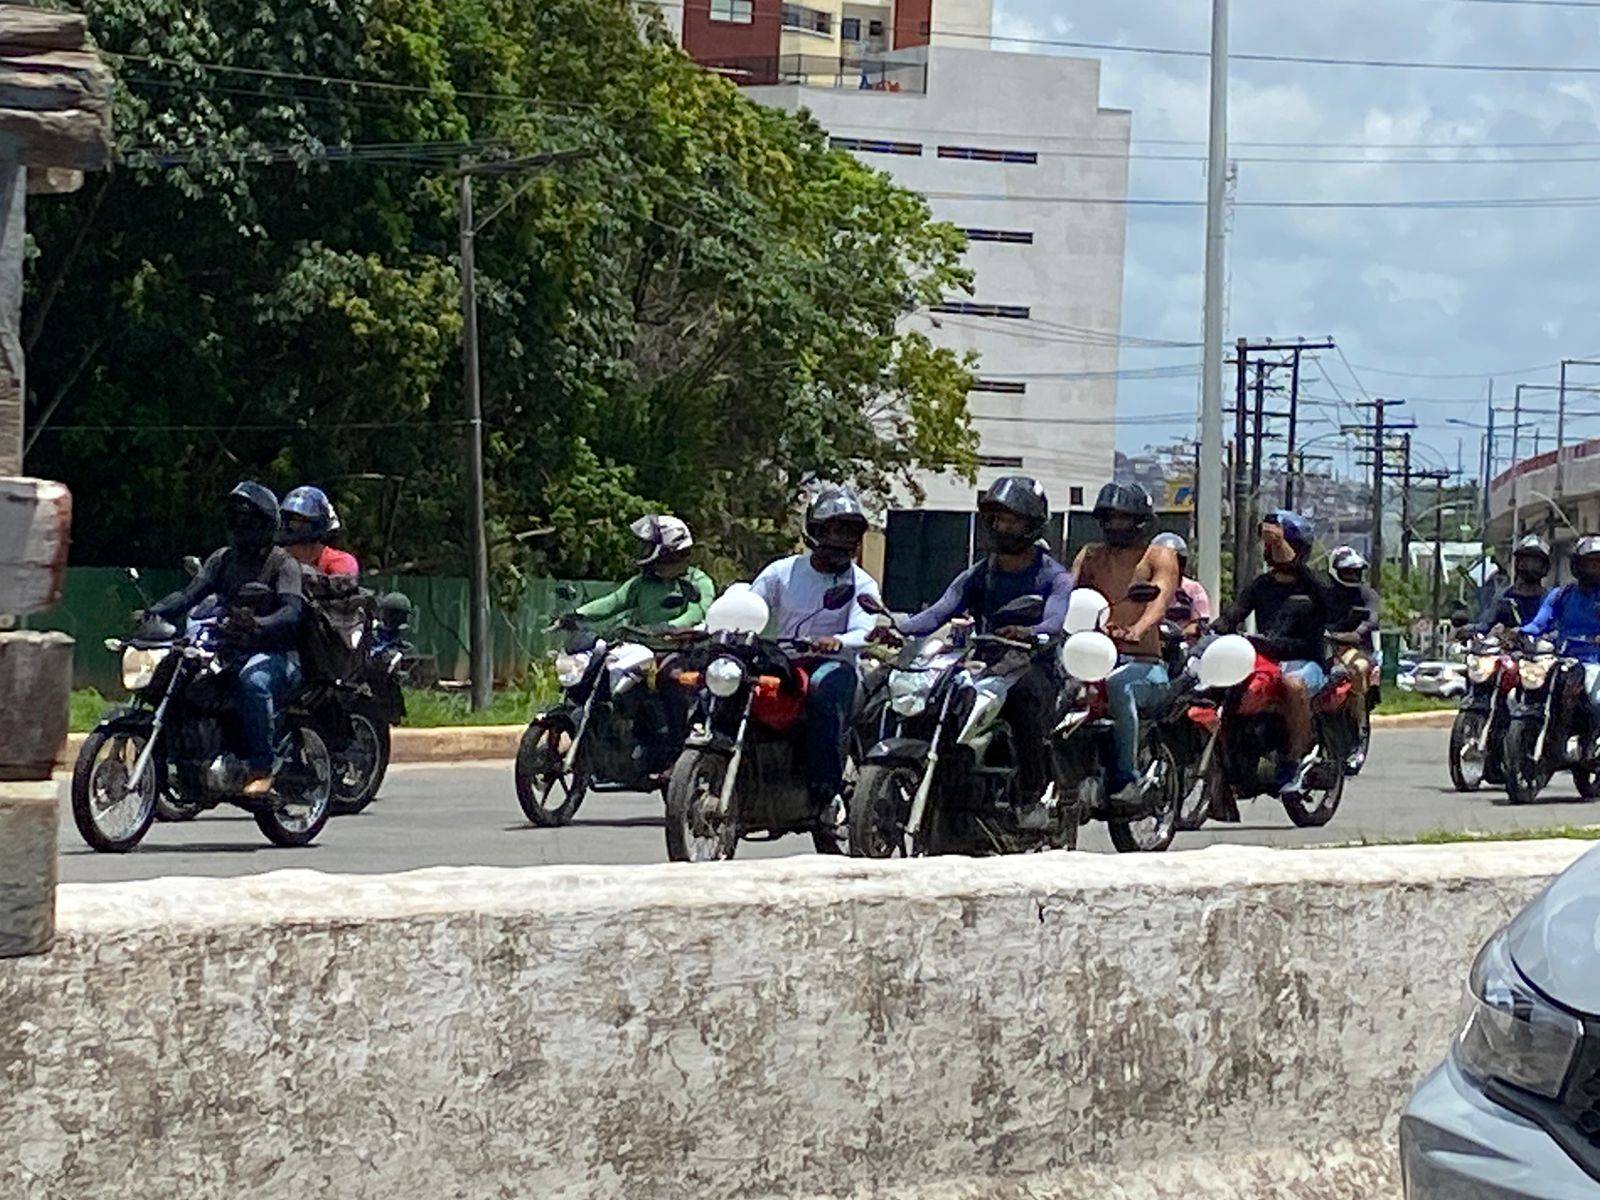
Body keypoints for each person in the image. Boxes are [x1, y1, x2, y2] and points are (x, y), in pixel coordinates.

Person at [889, 476, 1072, 803]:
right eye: (996, 519)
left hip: (1035, 666)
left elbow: (1056, 620)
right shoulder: (979, 573)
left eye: (1011, 520)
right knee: (935, 695)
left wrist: (1029, 632)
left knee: (1022, 699)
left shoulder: (1053, 576)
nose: (1000, 527)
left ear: (1031, 525)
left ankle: (1032, 793)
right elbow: (939, 611)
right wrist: (895, 629)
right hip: (985, 666)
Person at [145, 483, 306, 796]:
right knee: (188, 679)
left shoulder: (282, 563)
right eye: (235, 520)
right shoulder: (223, 560)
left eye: (248, 520)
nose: (241, 527)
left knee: (252, 683)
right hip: (229, 649)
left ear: (265, 524)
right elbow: (189, 595)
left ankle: (261, 767)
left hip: (279, 655)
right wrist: (154, 613)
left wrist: (258, 623)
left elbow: (292, 611)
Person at [749, 486, 882, 818]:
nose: (845, 538)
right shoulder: (781, 572)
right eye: (838, 528)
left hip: (835, 667)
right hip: (784, 663)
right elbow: (751, 606)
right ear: (816, 529)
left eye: (851, 530)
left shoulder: (861, 583)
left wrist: (837, 641)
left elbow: (864, 630)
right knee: (734, 682)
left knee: (822, 690)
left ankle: (826, 793)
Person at [1070, 483, 1181, 805]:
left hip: (1143, 664)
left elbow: (1158, 601)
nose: (1115, 525)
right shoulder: (1090, 555)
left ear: (1141, 520)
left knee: (1119, 687)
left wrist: (1136, 629)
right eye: (1110, 518)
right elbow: (1067, 595)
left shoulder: (1160, 556)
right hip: (1090, 658)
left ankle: (1126, 778)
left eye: (1124, 518)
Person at [1214, 511, 1332, 798]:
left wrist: (1294, 561)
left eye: (1279, 543)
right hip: (1267, 659)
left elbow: (1331, 607)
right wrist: (1212, 629)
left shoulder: (1313, 584)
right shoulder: (1261, 585)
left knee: (1292, 685)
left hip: (1307, 662)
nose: (1273, 549)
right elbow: (1234, 614)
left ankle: (1292, 762)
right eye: (1270, 544)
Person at [574, 515, 715, 631]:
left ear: (667, 551)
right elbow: (613, 602)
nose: (642, 551)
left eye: (647, 547)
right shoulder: (643, 582)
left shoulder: (699, 581)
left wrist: (666, 628)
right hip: (645, 648)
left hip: (685, 652)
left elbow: (697, 613)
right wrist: (578, 615)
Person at [1521, 535, 1600, 721]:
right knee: (1530, 690)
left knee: (1596, 701)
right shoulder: (1561, 594)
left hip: (1594, 664)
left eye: (1599, 564)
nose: (1595, 569)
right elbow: (1538, 623)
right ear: (1577, 565)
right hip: (1561, 662)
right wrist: (1520, 633)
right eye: (1590, 564)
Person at [1324, 546, 1382, 757]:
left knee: (1357, 668)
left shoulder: (1367, 594)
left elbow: (1373, 617)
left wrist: (1358, 631)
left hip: (1355, 647)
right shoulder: (1323, 594)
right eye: (1347, 571)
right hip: (1323, 646)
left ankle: (1357, 728)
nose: (1352, 575)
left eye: (1356, 571)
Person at [1471, 534, 1552, 633]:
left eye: (1536, 562)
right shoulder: (1504, 597)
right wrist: (1466, 630)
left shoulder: (1552, 599)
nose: (1530, 566)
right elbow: (1486, 626)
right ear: (1518, 564)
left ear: (1545, 567)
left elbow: (1562, 628)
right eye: (1525, 561)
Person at [279, 486, 359, 577]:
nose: (297, 525)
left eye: (304, 520)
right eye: (293, 519)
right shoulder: (276, 559)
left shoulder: (340, 561)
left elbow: (344, 584)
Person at [1153, 531, 1210, 637]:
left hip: (1184, 644)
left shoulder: (1194, 589)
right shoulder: (1147, 590)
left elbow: (1199, 623)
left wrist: (1179, 634)